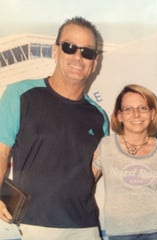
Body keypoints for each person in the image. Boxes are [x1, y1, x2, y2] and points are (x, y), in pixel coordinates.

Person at [0, 16, 108, 240]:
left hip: (85, 226)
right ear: (55, 51)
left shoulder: (99, 117)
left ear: (94, 62)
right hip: (32, 224)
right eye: (69, 48)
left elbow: (93, 172)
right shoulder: (19, 94)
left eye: (87, 52)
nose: (78, 57)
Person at [92, 84, 157, 240]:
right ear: (119, 116)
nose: (136, 114)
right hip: (120, 232)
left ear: (153, 113)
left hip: (155, 230)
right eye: (128, 109)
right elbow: (85, 183)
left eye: (143, 108)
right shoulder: (106, 146)